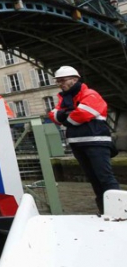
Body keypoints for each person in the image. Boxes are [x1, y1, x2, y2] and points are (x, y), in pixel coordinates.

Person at [49, 66, 119, 214]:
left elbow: (83, 114)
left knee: (105, 177)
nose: (60, 84)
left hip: (96, 142)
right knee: (93, 178)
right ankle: (105, 210)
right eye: (58, 81)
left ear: (75, 79)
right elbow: (53, 116)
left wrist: (65, 117)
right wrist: (67, 115)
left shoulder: (90, 94)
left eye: (63, 80)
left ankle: (118, 209)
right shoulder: (64, 98)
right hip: (78, 142)